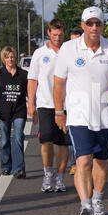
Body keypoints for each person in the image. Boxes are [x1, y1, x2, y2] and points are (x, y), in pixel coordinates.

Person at [53, 6, 108, 215]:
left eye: (98, 23)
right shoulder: (69, 49)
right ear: (83, 25)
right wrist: (59, 111)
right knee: (84, 160)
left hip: (105, 115)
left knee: (102, 161)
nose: (94, 27)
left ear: (102, 25)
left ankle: (97, 199)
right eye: (90, 23)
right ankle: (86, 206)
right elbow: (59, 83)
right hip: (79, 115)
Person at [27, 19, 71, 193]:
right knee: (46, 140)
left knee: (63, 143)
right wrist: (31, 103)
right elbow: (32, 79)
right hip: (45, 103)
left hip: (67, 104)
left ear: (64, 34)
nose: (57, 38)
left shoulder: (69, 52)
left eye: (60, 35)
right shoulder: (39, 53)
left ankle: (60, 177)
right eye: (54, 35)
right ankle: (48, 174)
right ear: (48, 33)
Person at [0, 46, 28, 179]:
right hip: (3, 112)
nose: (10, 59)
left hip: (19, 111)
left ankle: (19, 168)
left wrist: (33, 107)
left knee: (18, 137)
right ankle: (6, 166)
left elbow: (29, 93)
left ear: (15, 57)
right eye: (7, 57)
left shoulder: (23, 74)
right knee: (5, 139)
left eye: (12, 57)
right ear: (3, 59)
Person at [68, 28, 83, 176]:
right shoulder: (66, 56)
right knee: (73, 137)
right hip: (70, 106)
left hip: (88, 106)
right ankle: (74, 164)